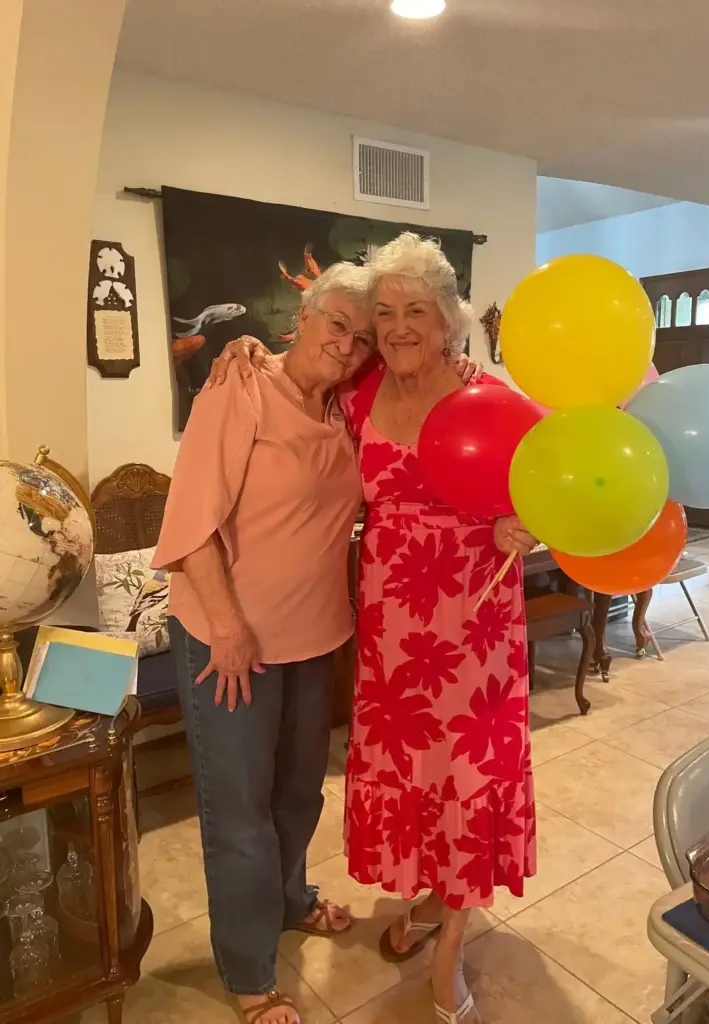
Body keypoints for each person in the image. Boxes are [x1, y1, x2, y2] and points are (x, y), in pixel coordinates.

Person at [214, 232, 536, 1024]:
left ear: (448, 318)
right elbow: (301, 372)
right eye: (384, 312)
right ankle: (429, 898)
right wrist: (245, 348)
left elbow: (556, 487)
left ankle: (452, 942)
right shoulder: (360, 390)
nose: (396, 327)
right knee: (419, 772)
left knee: (470, 775)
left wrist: (525, 526)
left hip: (476, 621)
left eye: (414, 311)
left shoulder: (487, 393)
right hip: (394, 624)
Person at [152, 262, 377, 1024]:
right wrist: (227, 627)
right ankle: (249, 972)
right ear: (303, 319)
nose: (346, 345)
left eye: (363, 336)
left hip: (315, 638)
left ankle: (288, 901)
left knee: (297, 794)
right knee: (240, 813)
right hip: (229, 640)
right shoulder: (240, 384)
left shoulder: (349, 410)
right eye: (335, 324)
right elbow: (190, 525)